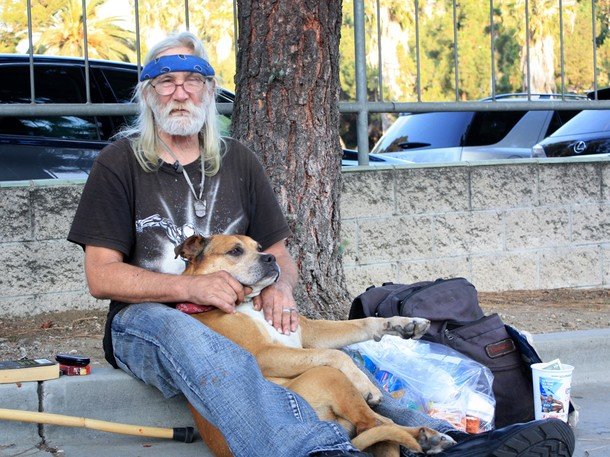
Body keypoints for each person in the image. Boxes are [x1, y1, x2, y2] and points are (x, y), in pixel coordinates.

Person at [68, 31, 575, 457]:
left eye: (192, 82)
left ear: (208, 91)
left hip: (238, 315)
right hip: (147, 321)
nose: (180, 93)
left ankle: (445, 440)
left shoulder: (239, 161)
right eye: (166, 82)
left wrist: (280, 289)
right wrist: (192, 290)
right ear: (148, 95)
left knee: (330, 373)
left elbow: (279, 255)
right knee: (209, 348)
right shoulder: (120, 164)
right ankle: (317, 449)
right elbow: (102, 276)